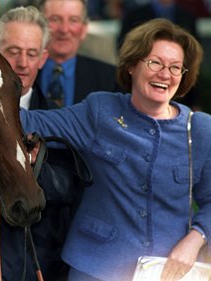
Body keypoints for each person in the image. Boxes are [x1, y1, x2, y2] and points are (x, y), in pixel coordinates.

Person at [21, 18, 210, 281]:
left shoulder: (200, 129)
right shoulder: (100, 111)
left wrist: (195, 239)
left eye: (175, 67)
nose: (165, 74)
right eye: (155, 62)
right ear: (132, 65)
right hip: (95, 268)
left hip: (170, 272)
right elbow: (32, 123)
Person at [0, 5, 84, 281]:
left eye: (31, 53)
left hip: (37, 264)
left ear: (43, 58)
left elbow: (70, 190)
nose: (22, 63)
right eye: (13, 51)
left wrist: (37, 166)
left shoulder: (60, 120)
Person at [35, 0, 119, 108]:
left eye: (73, 20)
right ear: (39, 26)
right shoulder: (21, 71)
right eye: (55, 19)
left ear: (84, 29)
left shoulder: (111, 79)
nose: (64, 29)